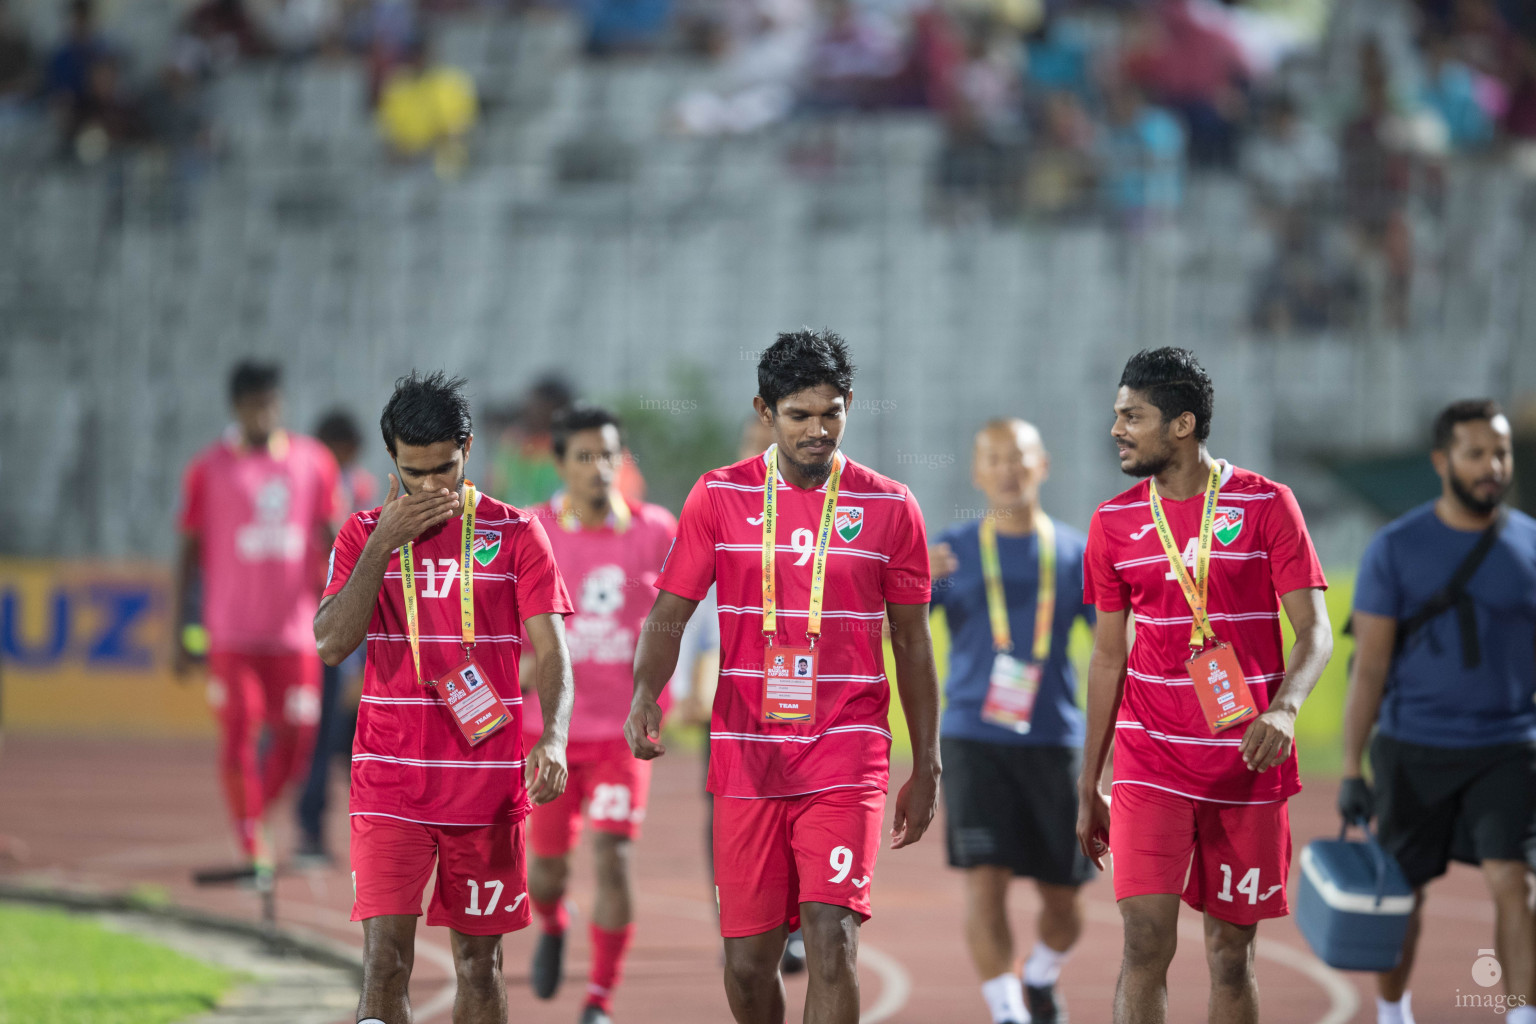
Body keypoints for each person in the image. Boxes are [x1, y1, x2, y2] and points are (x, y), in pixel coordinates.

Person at [626, 329, 942, 1024]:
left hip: (848, 748)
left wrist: (927, 762)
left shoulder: (892, 507)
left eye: (831, 413)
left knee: (833, 938)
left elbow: (914, 644)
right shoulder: (716, 497)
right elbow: (669, 613)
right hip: (747, 755)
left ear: (850, 405)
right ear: (765, 412)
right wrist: (647, 691)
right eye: (799, 415)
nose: (818, 430)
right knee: (746, 965)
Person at [1076, 347, 1333, 1024]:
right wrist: (1088, 781)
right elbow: (1107, 659)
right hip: (1150, 758)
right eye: (1116, 415)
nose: (1117, 430)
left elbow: (1316, 631)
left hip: (1244, 763)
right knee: (1144, 943)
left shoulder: (1268, 504)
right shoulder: (1112, 523)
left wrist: (1285, 710)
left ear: (1182, 424)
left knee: (1229, 954)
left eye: (1132, 416)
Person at [313, 371, 577, 1024]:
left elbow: (552, 652)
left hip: (484, 791)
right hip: (390, 785)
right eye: (413, 472)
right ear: (391, 459)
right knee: (384, 964)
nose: (431, 487)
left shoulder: (517, 534)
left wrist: (555, 735)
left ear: (467, 448)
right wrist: (381, 547)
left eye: (445, 469)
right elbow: (329, 644)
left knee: (478, 970)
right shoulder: (361, 535)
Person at [1338, 399, 1536, 1024]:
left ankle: (1522, 1016)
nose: (1492, 467)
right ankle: (1394, 1012)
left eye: (1500, 453)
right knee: (1405, 895)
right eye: (1476, 454)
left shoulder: (1532, 544)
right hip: (1413, 748)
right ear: (1441, 461)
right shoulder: (1395, 548)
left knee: (1514, 881)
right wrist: (1349, 768)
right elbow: (1368, 667)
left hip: (1509, 748)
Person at [928, 419, 1095, 1024]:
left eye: (1018, 457)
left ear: (1042, 465)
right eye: (993, 459)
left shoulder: (1078, 554)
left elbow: (1117, 650)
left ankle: (1042, 972)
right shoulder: (949, 551)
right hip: (974, 738)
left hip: (1055, 740)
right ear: (977, 472)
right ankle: (1007, 1010)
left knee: (1064, 897)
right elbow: (887, 622)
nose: (1007, 469)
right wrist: (908, 575)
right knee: (985, 881)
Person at [522, 406, 678, 1024]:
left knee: (613, 859)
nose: (599, 468)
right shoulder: (529, 531)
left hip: (621, 735)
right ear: (559, 464)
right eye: (583, 457)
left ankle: (599, 1000)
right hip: (548, 736)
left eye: (609, 455)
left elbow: (682, 618)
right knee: (545, 873)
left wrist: (676, 688)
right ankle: (554, 922)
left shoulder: (657, 531)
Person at [174, 361, 339, 878]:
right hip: (232, 635)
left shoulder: (314, 462)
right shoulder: (209, 469)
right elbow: (187, 551)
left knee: (299, 739)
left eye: (271, 401)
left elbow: (335, 540)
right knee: (239, 734)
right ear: (236, 407)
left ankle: (255, 818)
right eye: (253, 403)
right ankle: (251, 841)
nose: (263, 411)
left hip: (296, 635)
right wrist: (181, 626)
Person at [296, 409, 377, 864]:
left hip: (355, 628)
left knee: (352, 743)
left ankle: (365, 828)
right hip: (328, 625)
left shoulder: (360, 487)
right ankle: (312, 831)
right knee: (323, 739)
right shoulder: (309, 483)